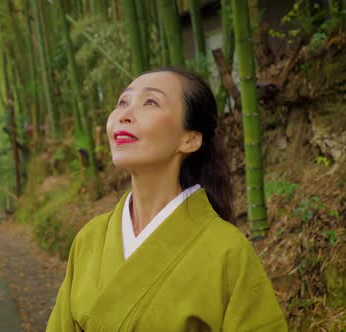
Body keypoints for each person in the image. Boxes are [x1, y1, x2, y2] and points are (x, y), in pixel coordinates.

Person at [46, 68, 287, 331]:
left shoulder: (228, 251)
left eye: (150, 102)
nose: (123, 116)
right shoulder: (89, 239)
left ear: (190, 139)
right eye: (122, 102)